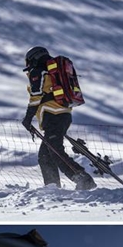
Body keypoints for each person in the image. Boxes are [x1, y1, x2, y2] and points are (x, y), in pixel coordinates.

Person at [21, 46, 96, 191]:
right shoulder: (52, 71)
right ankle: (52, 187)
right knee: (45, 155)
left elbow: (36, 97)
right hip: (63, 115)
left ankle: (82, 178)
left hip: (52, 115)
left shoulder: (38, 71)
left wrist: (28, 118)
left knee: (55, 151)